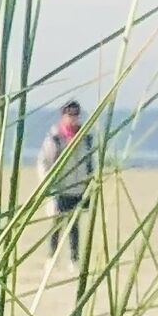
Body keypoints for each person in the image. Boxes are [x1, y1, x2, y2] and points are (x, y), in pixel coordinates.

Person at [41, 99, 92, 269]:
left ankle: (74, 259)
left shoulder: (85, 137)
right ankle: (52, 257)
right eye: (70, 114)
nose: (73, 118)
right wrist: (47, 184)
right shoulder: (55, 138)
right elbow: (44, 162)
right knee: (57, 223)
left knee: (74, 225)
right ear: (63, 115)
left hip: (78, 187)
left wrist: (89, 183)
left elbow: (89, 162)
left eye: (76, 114)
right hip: (60, 188)